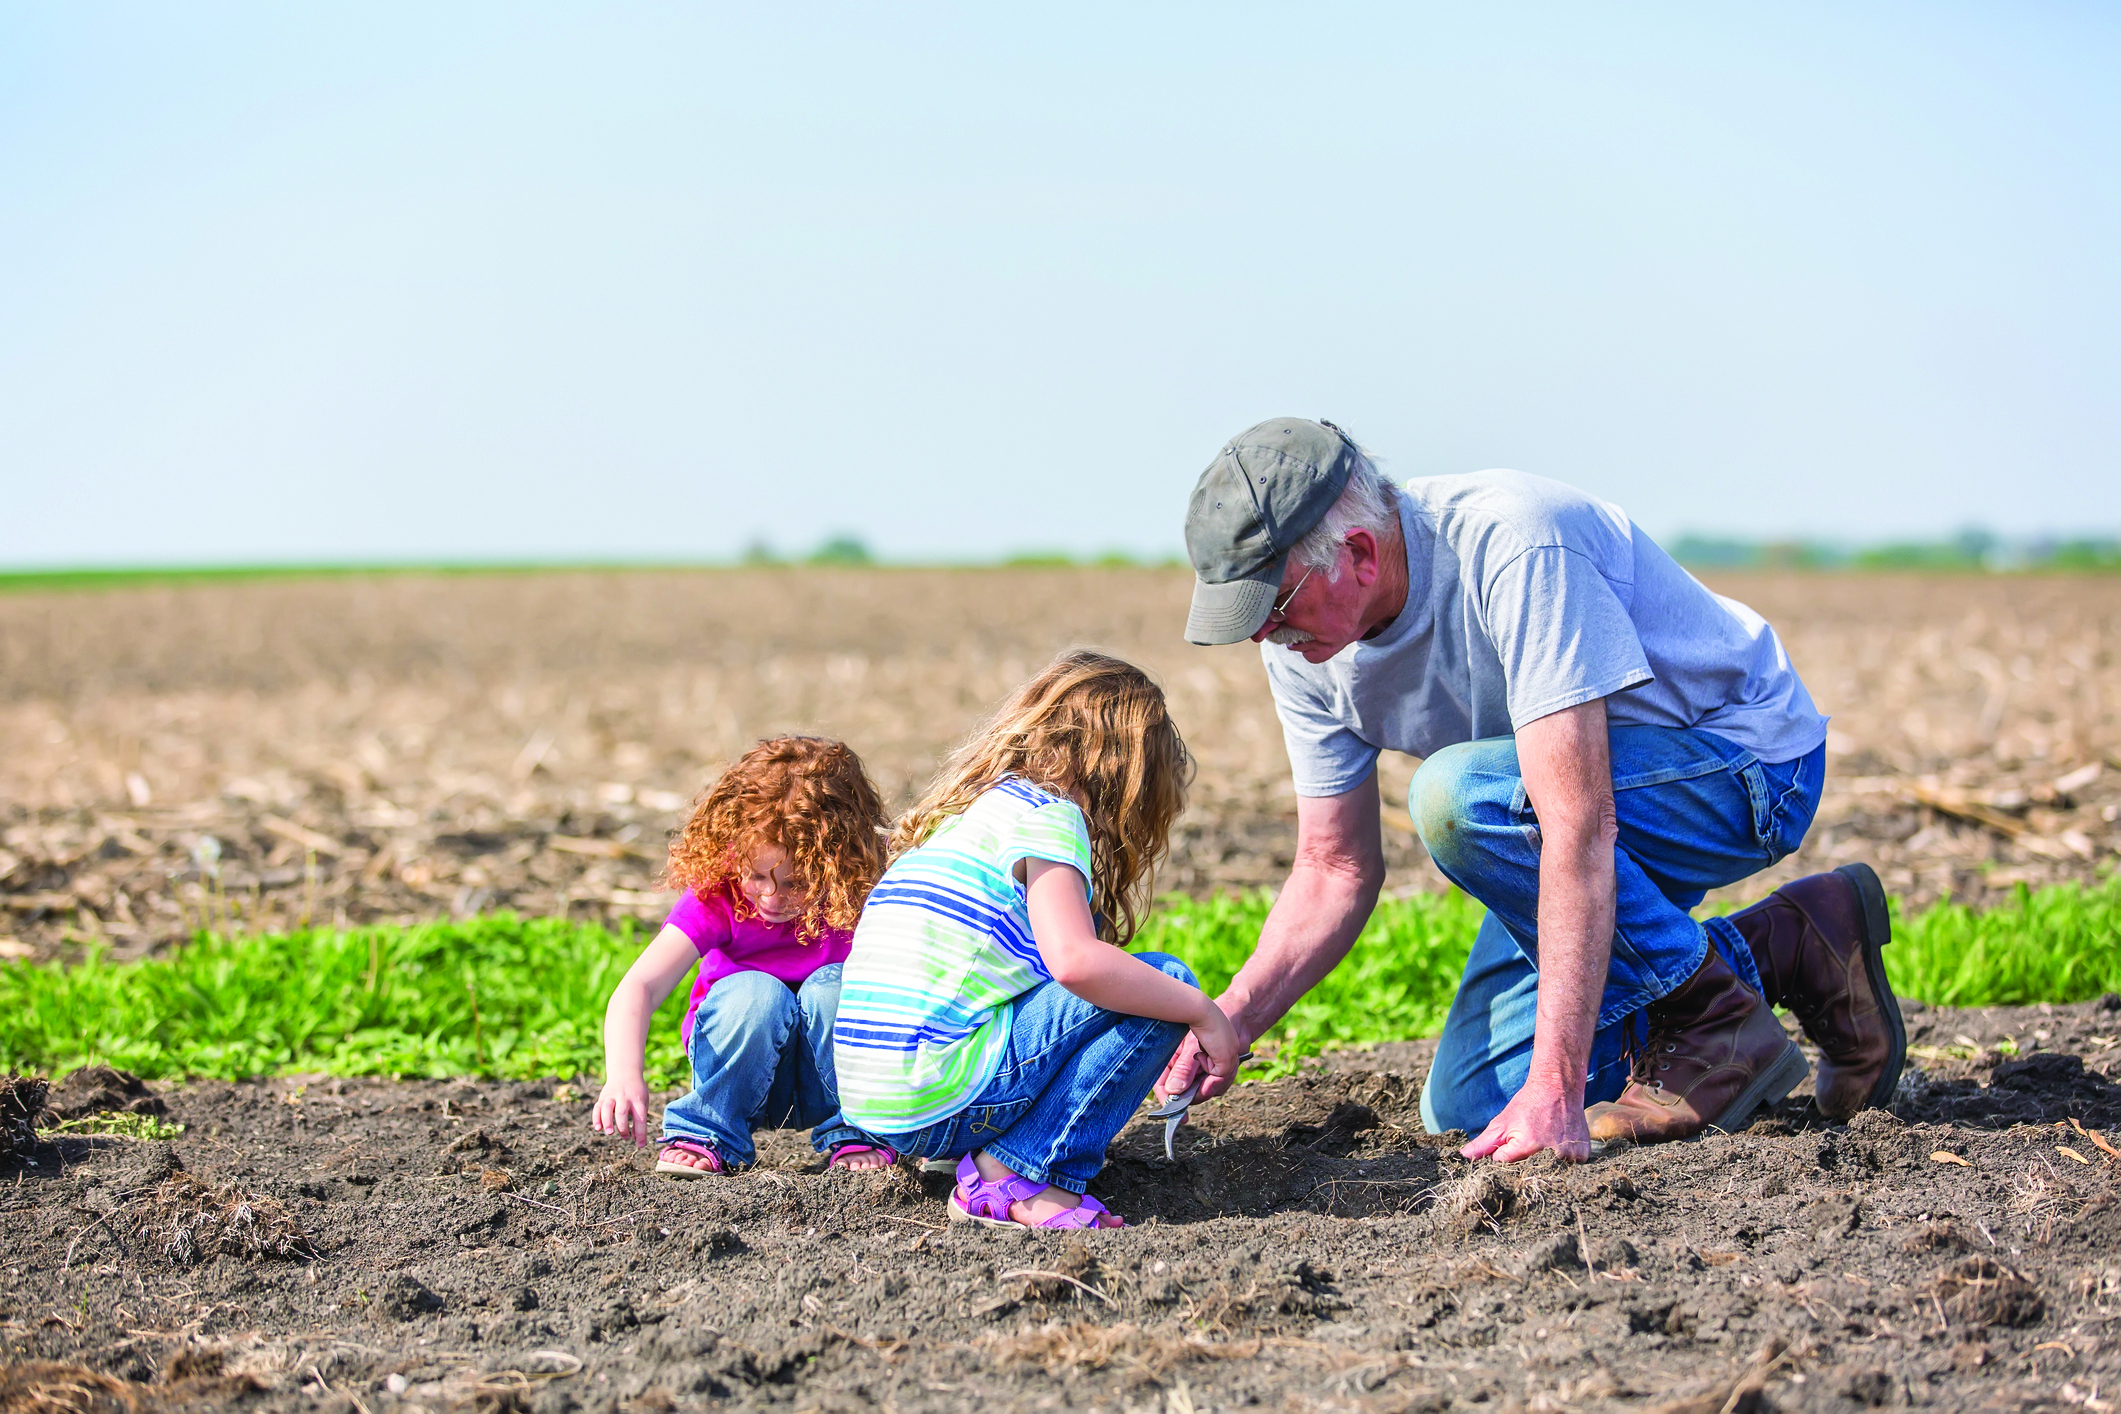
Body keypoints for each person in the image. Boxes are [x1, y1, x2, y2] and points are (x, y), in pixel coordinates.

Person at [1163, 417, 1905, 1162]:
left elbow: (1577, 824)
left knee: (1454, 798)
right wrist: (1230, 1017)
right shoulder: (1302, 642)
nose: (1263, 634)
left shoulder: (1515, 542)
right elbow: (1333, 868)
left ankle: (1711, 1016)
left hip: (1741, 767)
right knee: (1472, 1105)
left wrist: (1554, 1087)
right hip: (1552, 810)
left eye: (1274, 606)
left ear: (1356, 554)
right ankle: (1785, 945)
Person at [832, 650, 1241, 1229]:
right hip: (931, 1095)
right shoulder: (1049, 818)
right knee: (1166, 984)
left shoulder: (970, 816)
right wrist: (1203, 1012)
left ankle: (977, 1156)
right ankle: (1018, 1173)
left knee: (1130, 987)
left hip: (875, 1105)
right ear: (1121, 771)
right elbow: (1075, 962)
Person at [593, 735, 896, 1175]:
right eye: (757, 875)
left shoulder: (862, 893)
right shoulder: (720, 895)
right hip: (740, 1069)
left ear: (839, 861)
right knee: (755, 993)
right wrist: (622, 1075)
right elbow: (640, 986)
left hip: (835, 1077)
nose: (772, 896)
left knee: (834, 989)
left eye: (796, 882)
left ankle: (861, 1130)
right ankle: (709, 1128)